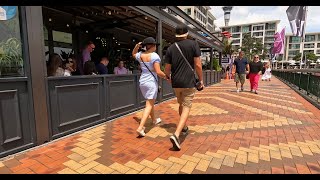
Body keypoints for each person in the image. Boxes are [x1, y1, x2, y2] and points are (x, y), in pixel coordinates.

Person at [164, 23, 204, 151]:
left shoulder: (171, 48)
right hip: (188, 82)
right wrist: (201, 80)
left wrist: (168, 77)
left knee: (181, 104)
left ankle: (184, 127)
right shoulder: (193, 44)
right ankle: (176, 135)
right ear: (187, 33)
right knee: (187, 107)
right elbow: (198, 65)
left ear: (176, 35)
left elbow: (167, 69)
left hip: (176, 83)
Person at [132, 37, 168, 137]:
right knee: (149, 104)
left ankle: (154, 120)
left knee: (150, 102)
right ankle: (140, 128)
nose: (156, 46)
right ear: (152, 46)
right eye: (155, 45)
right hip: (151, 83)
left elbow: (133, 54)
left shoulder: (140, 55)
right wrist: (167, 77)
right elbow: (158, 72)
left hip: (142, 82)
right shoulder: (154, 56)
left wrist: (136, 46)